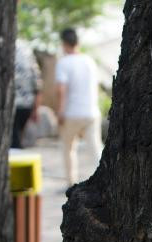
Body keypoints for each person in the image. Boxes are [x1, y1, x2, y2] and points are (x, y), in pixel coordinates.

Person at [55, 28, 102, 186]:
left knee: (68, 149)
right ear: (78, 42)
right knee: (95, 148)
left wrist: (60, 112)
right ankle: (106, 180)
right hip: (91, 112)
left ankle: (71, 183)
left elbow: (62, 90)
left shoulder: (63, 63)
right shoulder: (89, 60)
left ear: (63, 44)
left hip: (71, 113)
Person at [12, 38, 42, 149]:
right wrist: (36, 108)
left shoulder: (3, 45)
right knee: (17, 138)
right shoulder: (26, 49)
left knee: (13, 140)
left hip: (10, 104)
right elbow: (37, 83)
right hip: (26, 104)